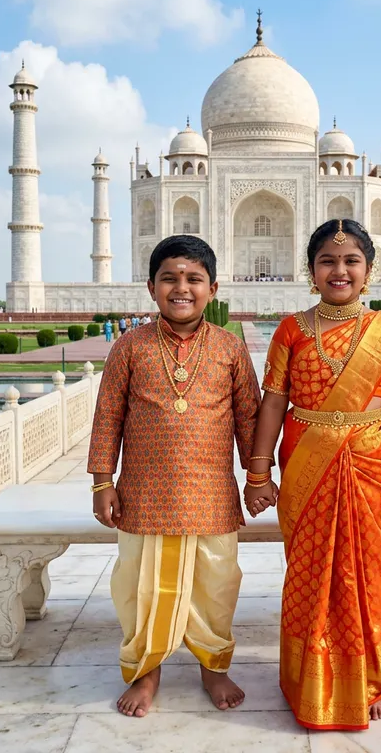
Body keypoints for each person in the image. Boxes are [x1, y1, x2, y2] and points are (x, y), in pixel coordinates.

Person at [246, 219, 381, 731]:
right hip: (307, 463)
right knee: (308, 574)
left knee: (367, 576)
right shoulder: (292, 330)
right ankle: (307, 678)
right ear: (311, 270)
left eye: (351, 261)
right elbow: (273, 403)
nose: (339, 270)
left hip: (373, 467)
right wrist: (258, 473)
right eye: (327, 260)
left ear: (369, 271)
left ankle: (368, 679)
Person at [88, 235, 261, 718]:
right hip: (143, 492)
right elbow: (108, 417)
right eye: (170, 278)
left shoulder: (229, 348)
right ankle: (146, 670)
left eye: (193, 279)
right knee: (139, 583)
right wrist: (104, 482)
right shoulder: (130, 346)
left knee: (216, 581)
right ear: (151, 287)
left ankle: (213, 667)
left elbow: (249, 417)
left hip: (210, 493)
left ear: (213, 288)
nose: (181, 288)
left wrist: (258, 476)